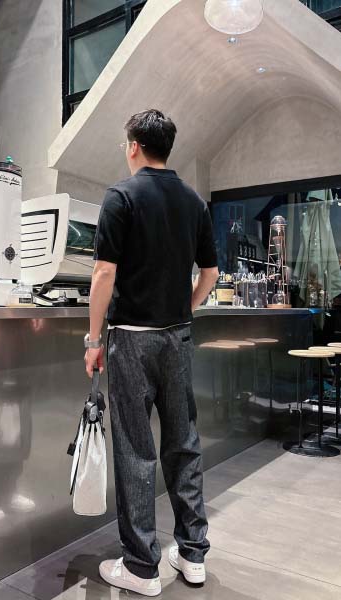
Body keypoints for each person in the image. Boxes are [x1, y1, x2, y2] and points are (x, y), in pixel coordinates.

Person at [84, 109, 219, 597]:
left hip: (131, 339)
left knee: (136, 449)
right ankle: (193, 554)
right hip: (177, 338)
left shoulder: (121, 196)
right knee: (183, 443)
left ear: (135, 145)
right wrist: (185, 308)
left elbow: (103, 274)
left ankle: (142, 566)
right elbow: (210, 274)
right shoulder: (194, 202)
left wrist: (93, 340)